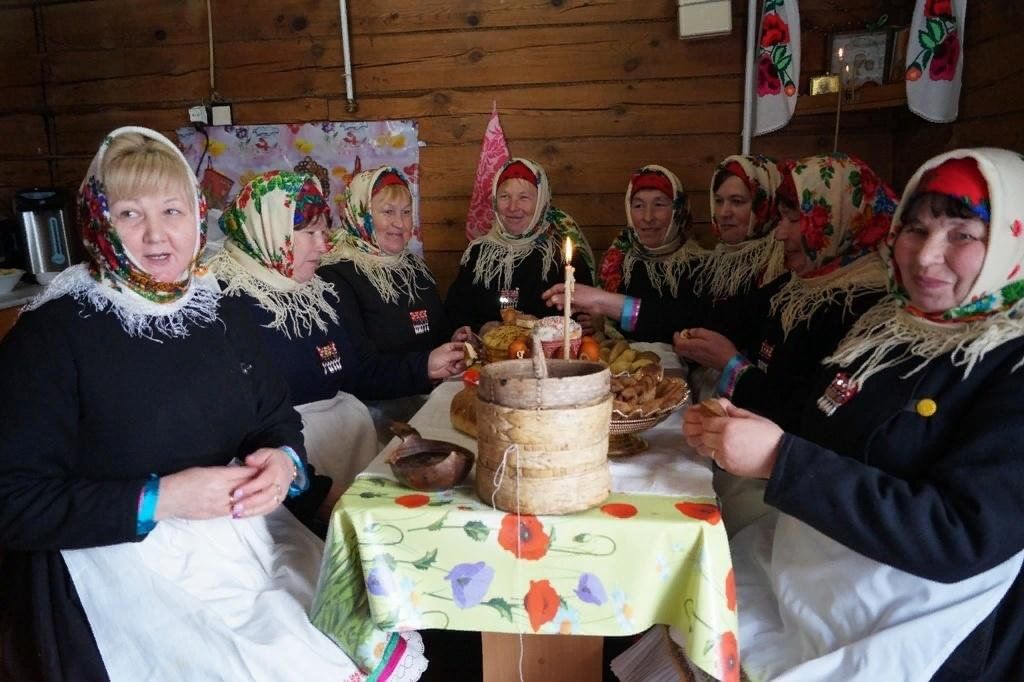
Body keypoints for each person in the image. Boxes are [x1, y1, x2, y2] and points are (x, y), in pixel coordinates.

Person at [0, 127, 424, 679]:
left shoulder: (220, 312)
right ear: (97, 221)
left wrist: (283, 462)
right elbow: (13, 502)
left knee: (358, 626)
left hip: (242, 540)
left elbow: (274, 417)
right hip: (118, 563)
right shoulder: (53, 334)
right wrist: (161, 498)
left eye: (172, 210)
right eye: (130, 214)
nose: (157, 236)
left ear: (198, 214)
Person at [684, 148, 1024, 679]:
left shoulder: (1010, 360)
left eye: (961, 234)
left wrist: (780, 458)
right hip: (813, 566)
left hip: (906, 615)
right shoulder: (888, 327)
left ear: (1010, 239)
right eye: (914, 229)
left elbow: (961, 534)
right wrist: (744, 426)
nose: (925, 256)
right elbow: (816, 417)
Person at [209, 169, 465, 490]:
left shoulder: (315, 291)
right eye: (310, 233)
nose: (324, 244)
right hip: (289, 476)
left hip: (345, 450)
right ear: (271, 232)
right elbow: (242, 426)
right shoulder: (227, 301)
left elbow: (356, 370)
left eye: (324, 231)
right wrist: (314, 496)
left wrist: (424, 365)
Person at [675, 153, 895, 431]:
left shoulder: (862, 306)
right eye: (781, 218)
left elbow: (807, 413)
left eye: (794, 219)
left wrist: (732, 367)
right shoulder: (801, 284)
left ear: (839, 220)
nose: (779, 234)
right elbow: (732, 314)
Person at [544, 154, 785, 346]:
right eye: (719, 201)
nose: (724, 212)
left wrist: (606, 302)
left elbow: (686, 321)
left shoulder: (774, 267)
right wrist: (601, 320)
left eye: (738, 201)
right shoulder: (619, 259)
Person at [319, 166, 472, 355]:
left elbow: (435, 331)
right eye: (388, 212)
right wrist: (425, 367)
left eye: (406, 212)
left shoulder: (414, 266)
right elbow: (358, 366)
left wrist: (452, 338)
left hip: (433, 383)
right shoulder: (336, 276)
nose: (400, 223)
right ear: (361, 215)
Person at [445, 157, 595, 331]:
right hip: (489, 356)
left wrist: (541, 327)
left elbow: (583, 321)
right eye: (504, 196)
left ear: (541, 202)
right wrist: (480, 328)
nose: (512, 207)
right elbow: (454, 313)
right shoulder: (478, 255)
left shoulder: (562, 256)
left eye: (524, 197)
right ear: (494, 200)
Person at [588, 164, 699, 339]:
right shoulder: (620, 260)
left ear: (679, 210)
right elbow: (604, 324)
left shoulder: (698, 267)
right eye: (638, 206)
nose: (648, 217)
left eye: (659, 204)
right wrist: (596, 323)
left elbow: (677, 324)